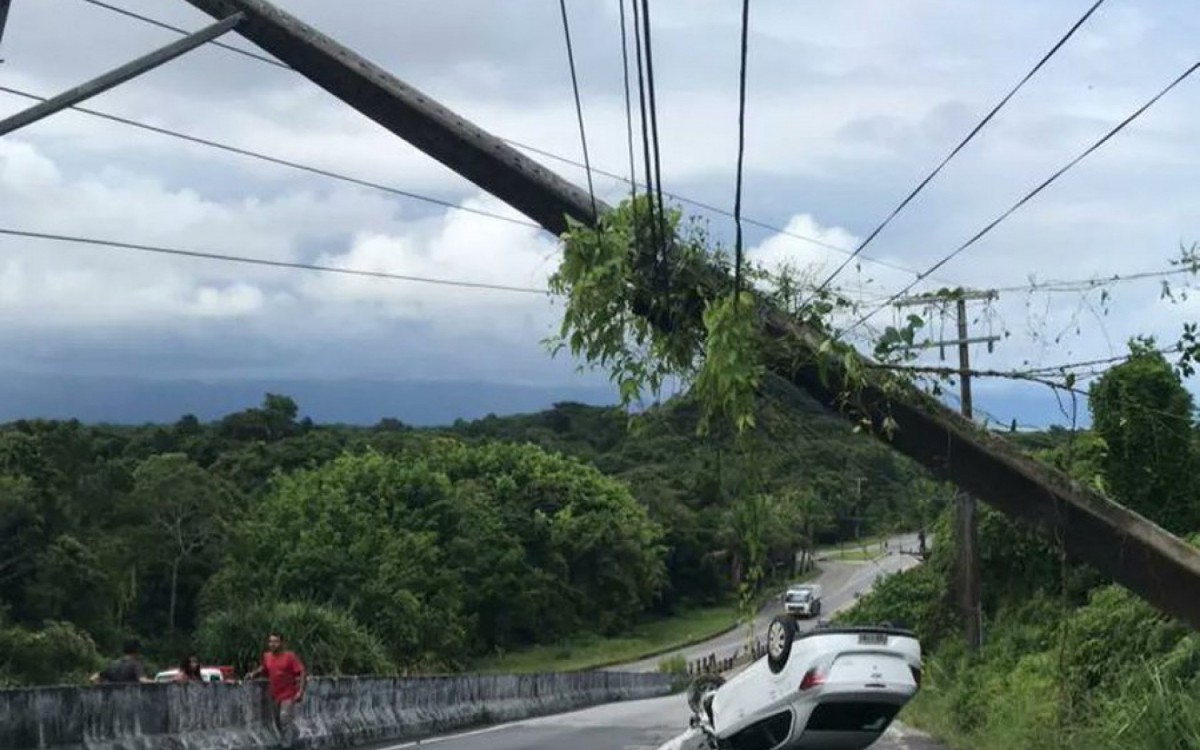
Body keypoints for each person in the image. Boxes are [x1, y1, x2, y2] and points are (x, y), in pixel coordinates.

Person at [244, 631, 306, 749]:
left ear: (282, 643)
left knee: (284, 718)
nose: (273, 644)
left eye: (276, 642)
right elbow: (264, 668)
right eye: (271, 642)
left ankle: (286, 746)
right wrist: (253, 674)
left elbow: (302, 672)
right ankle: (294, 732)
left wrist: (301, 691)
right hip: (274, 695)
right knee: (277, 721)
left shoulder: (290, 656)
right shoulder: (267, 656)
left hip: (288, 694)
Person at [90, 639, 154, 684]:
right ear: (137, 652)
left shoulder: (114, 664)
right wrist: (157, 682)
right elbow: (142, 680)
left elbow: (93, 678)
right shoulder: (136, 664)